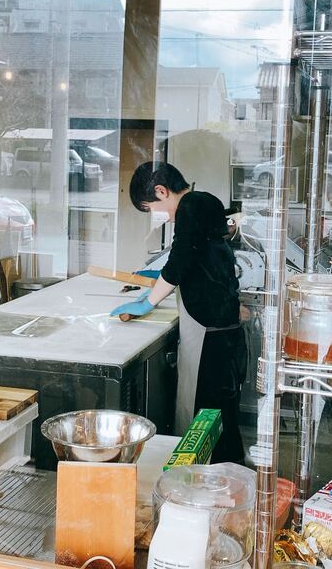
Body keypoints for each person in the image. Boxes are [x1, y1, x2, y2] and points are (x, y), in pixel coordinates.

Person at [111, 162, 247, 464]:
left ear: (161, 191)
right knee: (221, 415)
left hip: (207, 329)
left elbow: (179, 262)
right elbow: (194, 259)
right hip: (222, 328)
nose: (162, 217)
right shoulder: (205, 202)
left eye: (152, 209)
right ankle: (228, 474)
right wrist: (156, 282)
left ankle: (203, 478)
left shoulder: (190, 206)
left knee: (202, 415)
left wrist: (148, 303)